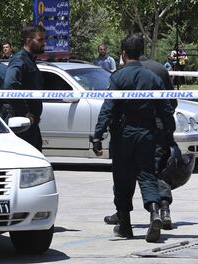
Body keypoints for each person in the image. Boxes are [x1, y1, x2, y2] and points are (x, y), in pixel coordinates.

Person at [92, 33, 175, 242]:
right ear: (141, 53)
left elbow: (107, 109)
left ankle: (125, 226)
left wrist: (97, 136)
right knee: (147, 176)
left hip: (123, 136)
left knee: (122, 180)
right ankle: (154, 213)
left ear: (123, 54)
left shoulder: (118, 77)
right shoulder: (154, 78)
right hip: (147, 135)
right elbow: (166, 110)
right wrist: (168, 134)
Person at [104, 55, 178, 230]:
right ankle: (163, 210)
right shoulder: (160, 69)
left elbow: (111, 107)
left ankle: (123, 215)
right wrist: (168, 129)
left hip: (132, 131)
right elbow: (171, 102)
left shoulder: (124, 72)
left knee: (124, 175)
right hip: (157, 130)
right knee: (155, 172)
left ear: (125, 53)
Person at [3, 25, 46, 151]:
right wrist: (24, 112)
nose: (44, 43)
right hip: (21, 125)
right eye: (40, 40)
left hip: (31, 125)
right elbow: (10, 86)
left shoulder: (30, 60)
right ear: (28, 41)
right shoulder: (19, 60)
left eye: (44, 39)